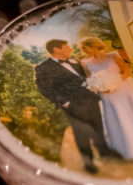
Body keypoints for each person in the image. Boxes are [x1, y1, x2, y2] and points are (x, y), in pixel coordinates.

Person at [34, 39, 109, 173]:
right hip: (74, 106)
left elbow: (85, 78)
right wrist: (65, 102)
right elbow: (44, 89)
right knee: (82, 134)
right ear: (56, 49)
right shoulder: (43, 67)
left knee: (98, 127)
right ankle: (88, 162)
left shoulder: (74, 62)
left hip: (91, 100)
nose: (70, 49)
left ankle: (103, 152)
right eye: (66, 47)